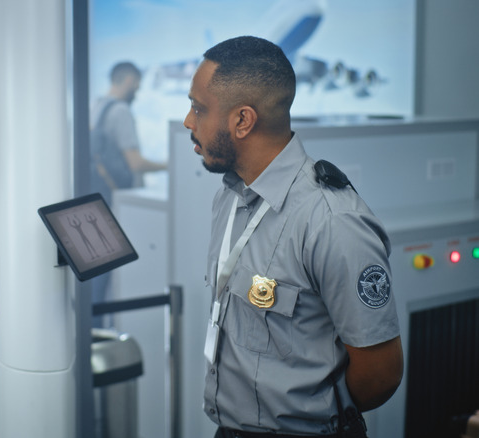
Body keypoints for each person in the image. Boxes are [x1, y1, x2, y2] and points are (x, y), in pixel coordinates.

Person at [183, 36, 403, 438]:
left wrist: (313, 412)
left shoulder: (332, 222)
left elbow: (381, 374)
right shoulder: (229, 199)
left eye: (198, 108)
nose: (188, 121)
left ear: (243, 120)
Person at [90, 61, 167, 201]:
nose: (137, 92)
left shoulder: (96, 105)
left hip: (103, 191)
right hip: (122, 197)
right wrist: (168, 165)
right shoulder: (121, 110)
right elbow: (135, 163)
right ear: (130, 80)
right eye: (137, 86)